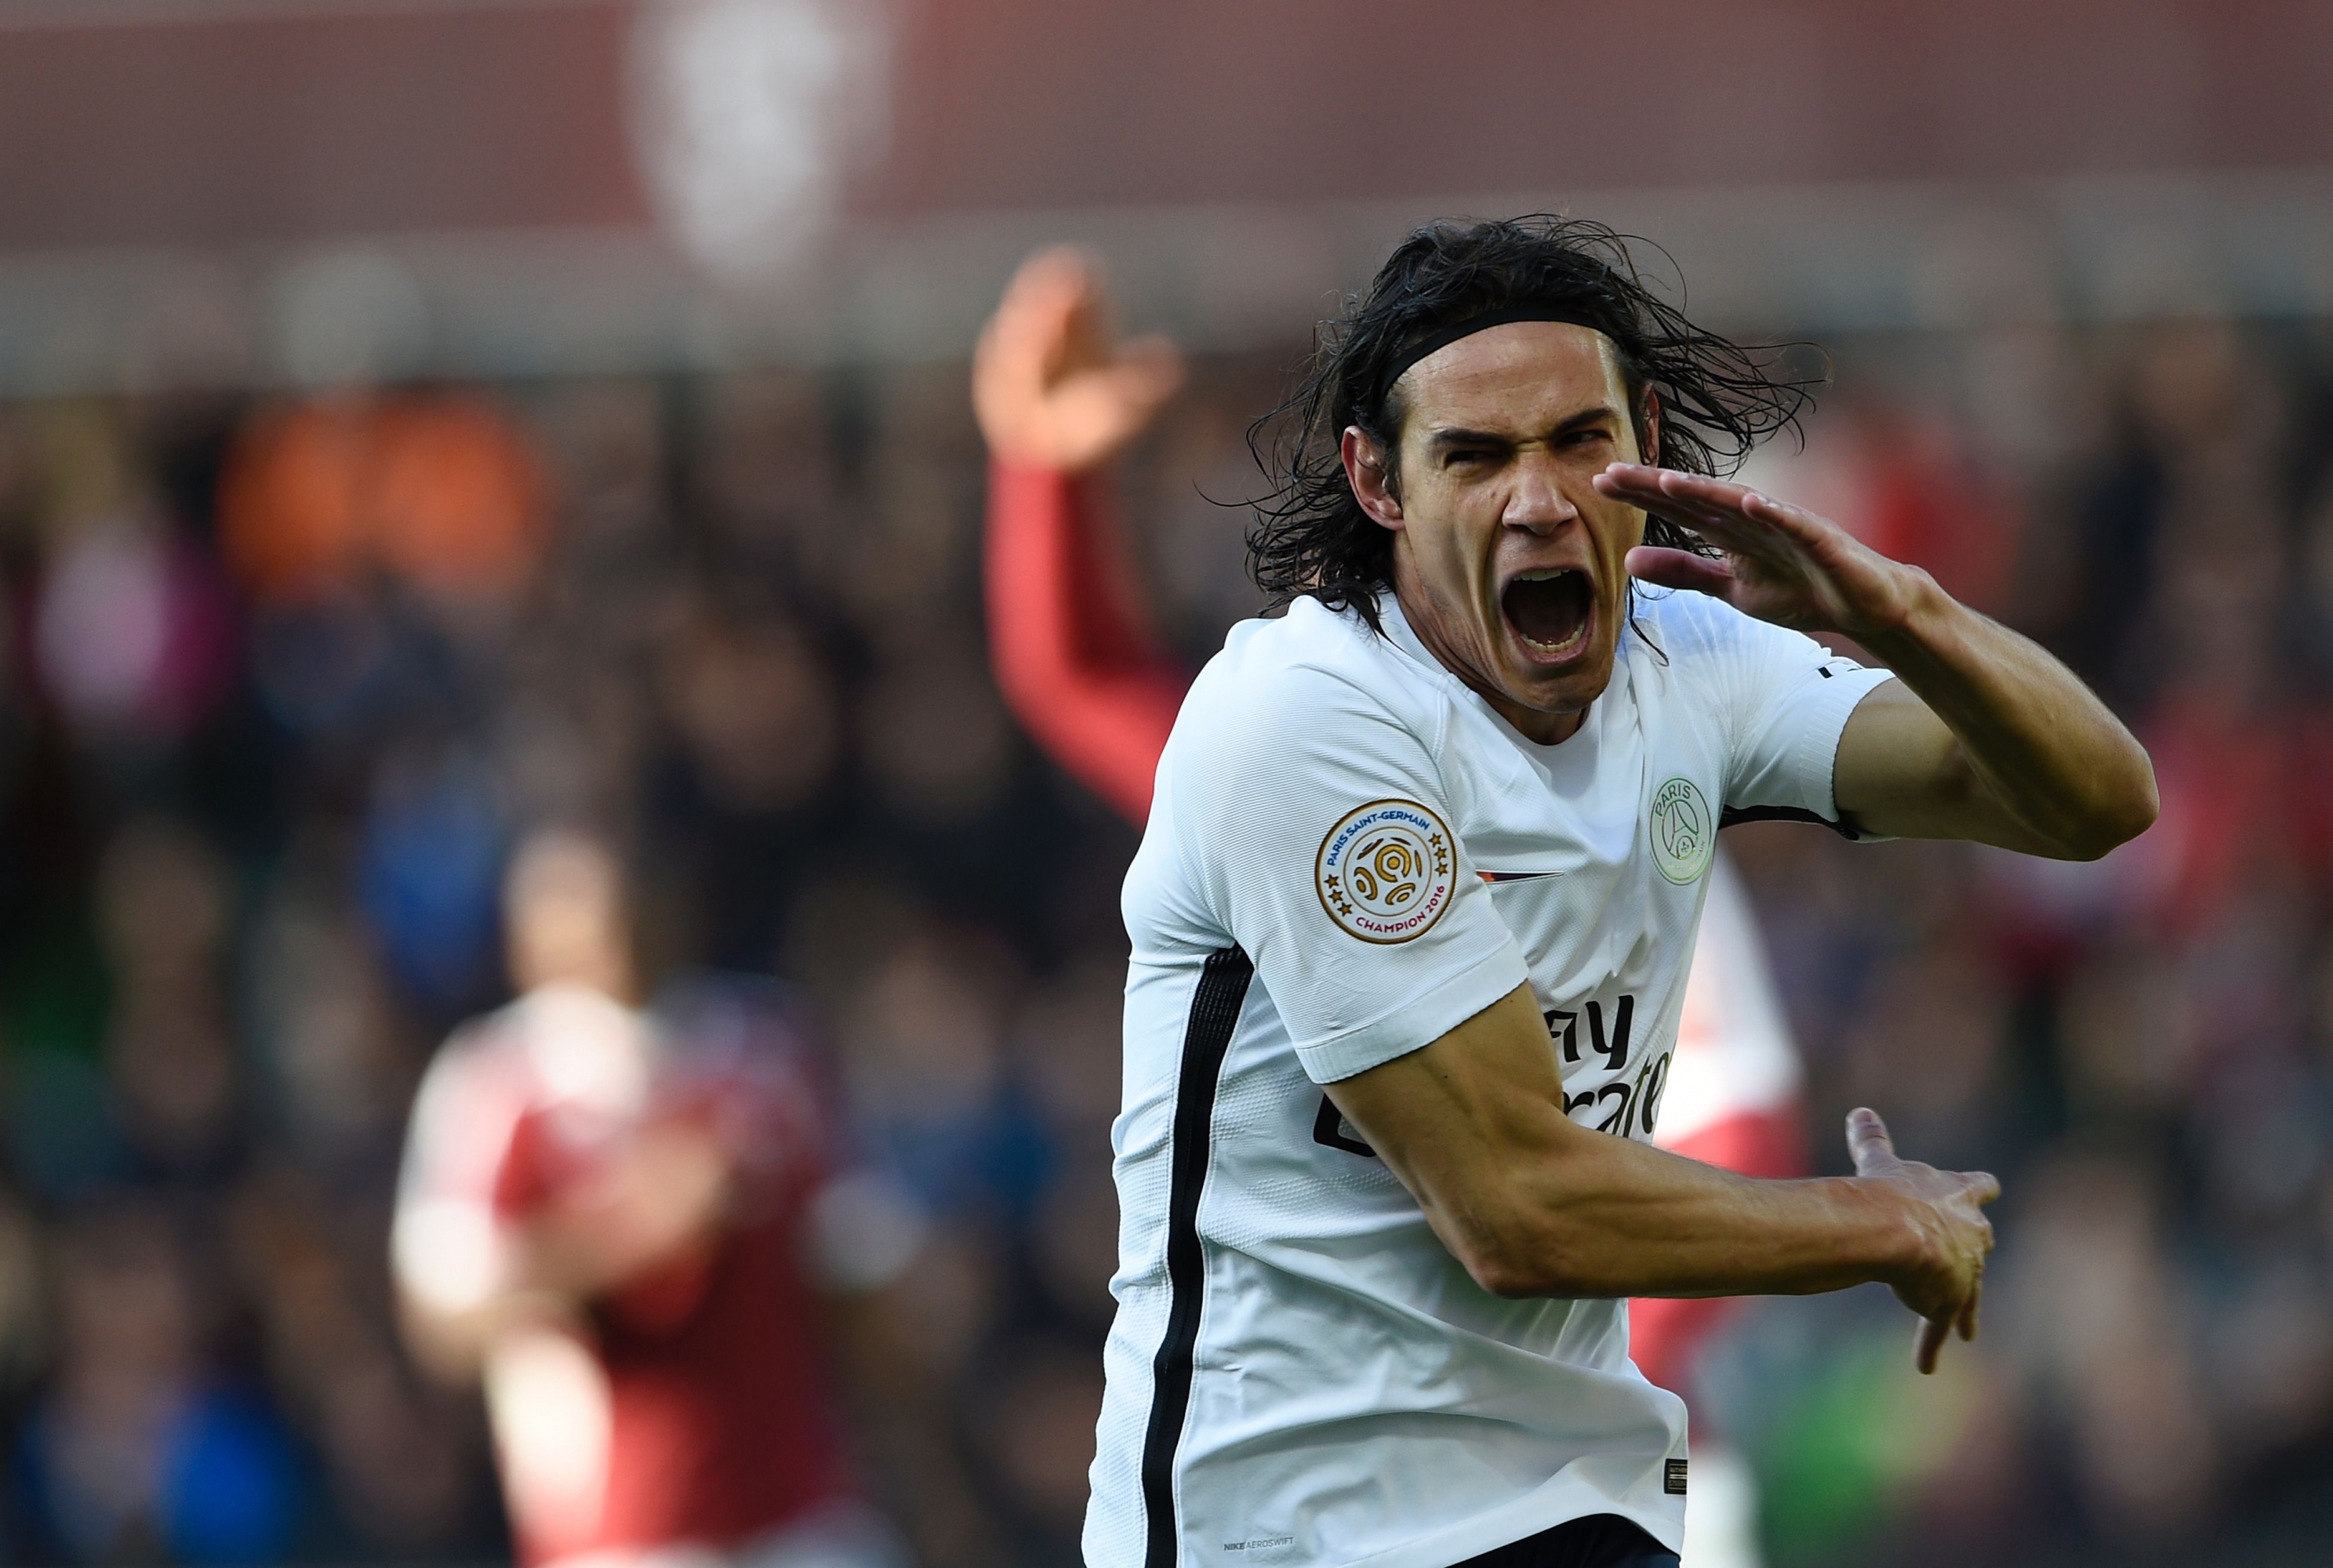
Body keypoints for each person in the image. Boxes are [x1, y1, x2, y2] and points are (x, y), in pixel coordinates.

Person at [1050, 216, 2156, 1568]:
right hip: (1292, 1524)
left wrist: (1901, 616)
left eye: (1578, 440)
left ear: (1645, 439)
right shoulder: (1305, 721)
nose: (1538, 498)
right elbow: (1516, 1211)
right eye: (1475, 456)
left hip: (1572, 1499)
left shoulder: (1691, 662)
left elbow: (2095, 803)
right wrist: (1872, 1226)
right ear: (1377, 482)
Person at [975, 251, 1809, 1566]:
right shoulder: (1307, 793)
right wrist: (1044, 476)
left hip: (1581, 1488)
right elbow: (1083, 678)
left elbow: (1740, 1121)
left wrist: (1540, 1372)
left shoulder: (1642, 818)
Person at [391, 829, 918, 1568]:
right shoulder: (501, 1085)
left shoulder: (765, 1054)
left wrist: (914, 1461)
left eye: (630, 912)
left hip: (802, 1510)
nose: (616, 943)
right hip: (620, 1531)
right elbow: (444, 1313)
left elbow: (860, 1276)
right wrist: (624, 1235)